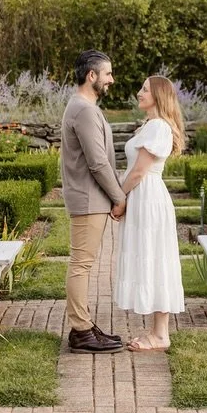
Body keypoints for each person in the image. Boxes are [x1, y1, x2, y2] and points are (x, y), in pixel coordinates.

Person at [112, 74, 187, 351]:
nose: (139, 93)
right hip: (144, 197)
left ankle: (160, 335)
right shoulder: (151, 126)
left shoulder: (158, 127)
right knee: (152, 257)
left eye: (144, 89)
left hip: (149, 197)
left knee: (156, 258)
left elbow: (140, 171)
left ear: (158, 96)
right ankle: (158, 333)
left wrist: (119, 198)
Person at [59, 49, 127, 353]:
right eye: (108, 73)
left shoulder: (83, 106)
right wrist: (119, 197)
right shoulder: (84, 110)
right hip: (89, 199)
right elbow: (98, 162)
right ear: (92, 76)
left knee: (83, 264)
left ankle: (84, 325)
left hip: (91, 199)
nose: (111, 79)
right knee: (81, 265)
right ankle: (80, 330)